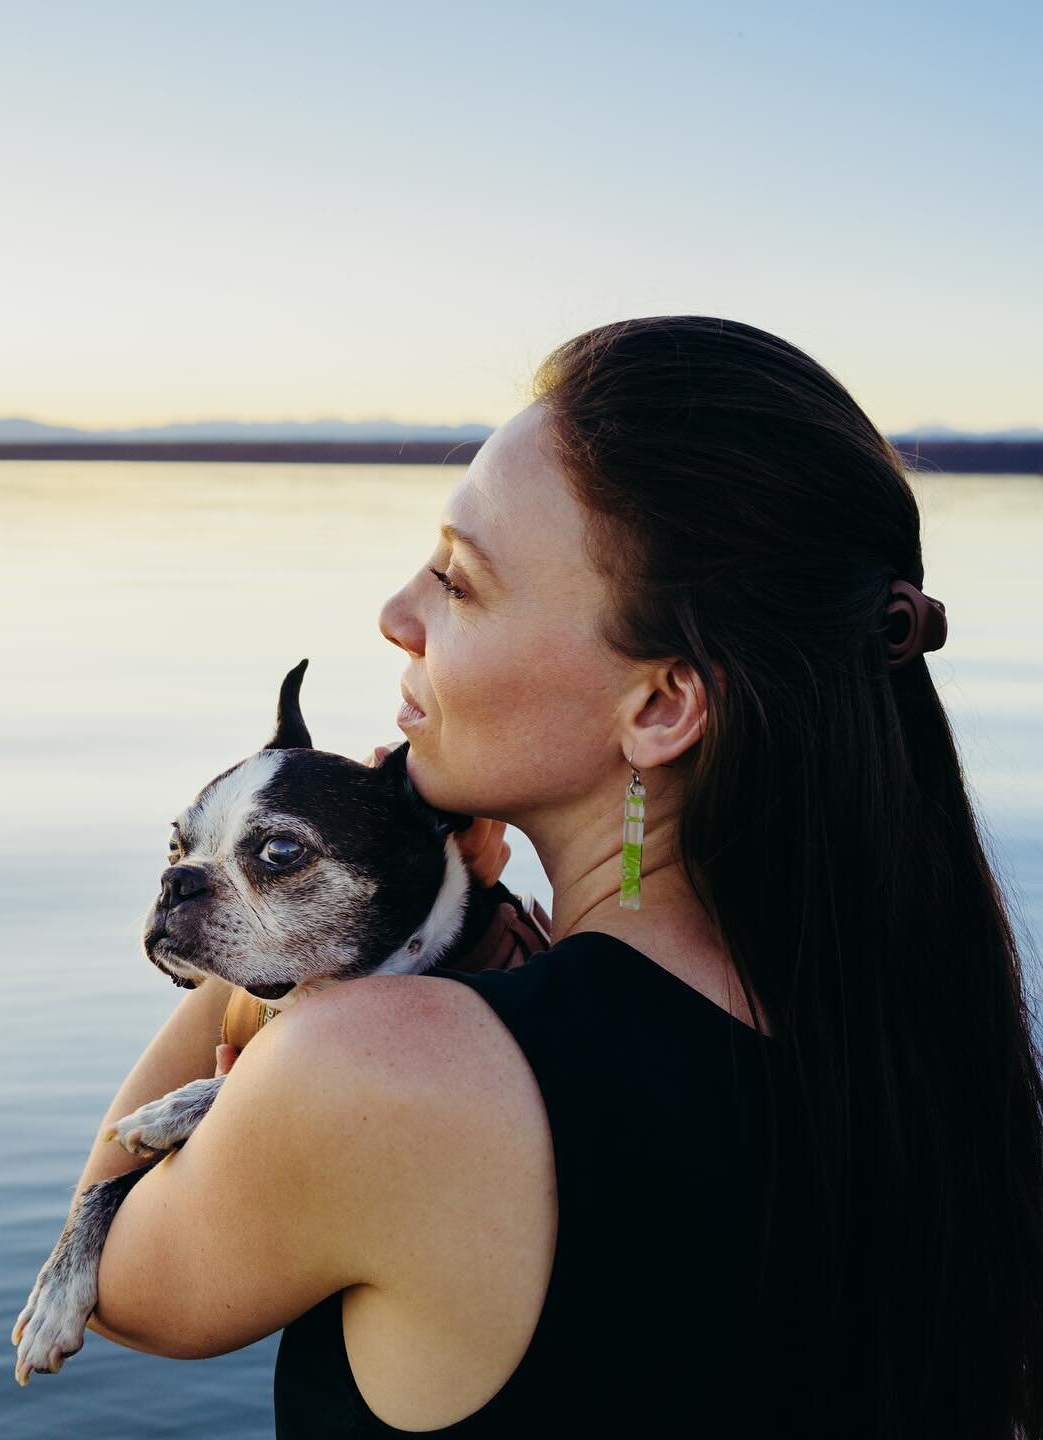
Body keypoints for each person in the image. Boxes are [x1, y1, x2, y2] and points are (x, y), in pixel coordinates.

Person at [57, 316, 1043, 1438]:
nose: (396, 615)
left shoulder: (371, 1068)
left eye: (459, 582)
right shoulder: (920, 1038)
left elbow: (119, 1273)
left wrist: (285, 944)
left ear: (662, 706)